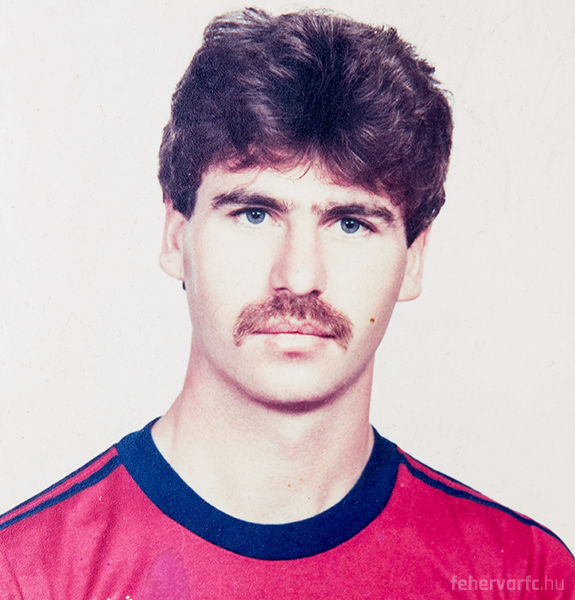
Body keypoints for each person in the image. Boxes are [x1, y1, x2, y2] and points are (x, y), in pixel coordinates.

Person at [0, 7, 573, 598]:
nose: (299, 277)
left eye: (350, 224)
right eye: (255, 214)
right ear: (175, 236)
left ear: (414, 258)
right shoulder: (24, 575)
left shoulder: (527, 577)